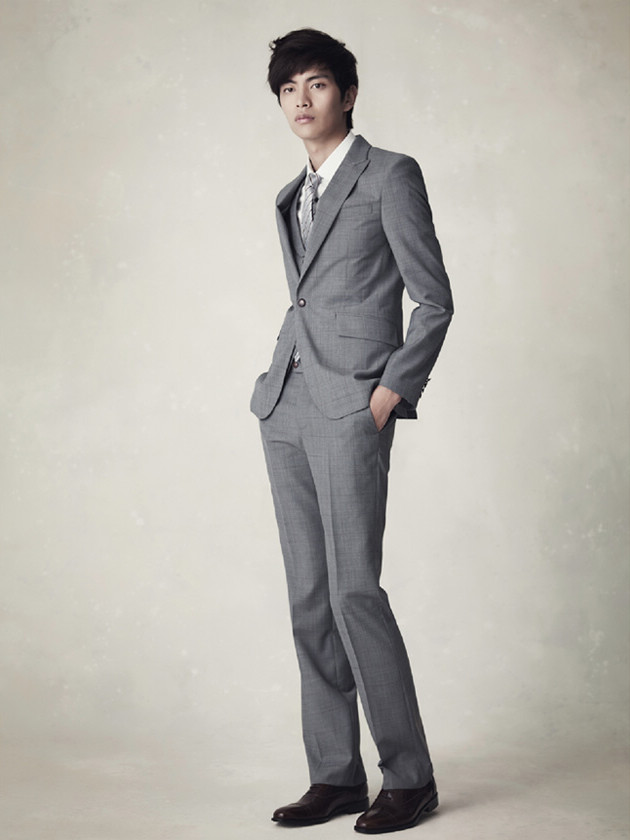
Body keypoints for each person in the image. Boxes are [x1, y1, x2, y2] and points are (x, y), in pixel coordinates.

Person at [250, 28, 453, 835]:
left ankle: (410, 776)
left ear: (348, 93)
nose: (301, 100)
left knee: (353, 592)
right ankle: (334, 774)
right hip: (286, 406)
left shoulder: (389, 175)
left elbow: (432, 298)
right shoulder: (288, 194)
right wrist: (275, 390)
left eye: (317, 84)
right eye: (288, 89)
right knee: (308, 598)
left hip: (351, 407)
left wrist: (389, 392)